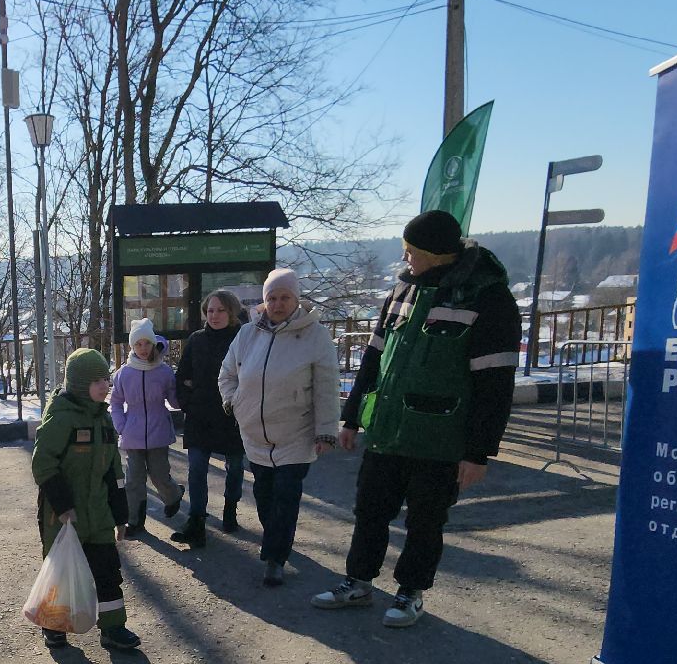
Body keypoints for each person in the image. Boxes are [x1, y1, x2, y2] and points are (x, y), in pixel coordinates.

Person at [313, 209, 520, 628]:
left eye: (412, 252)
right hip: (389, 432)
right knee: (369, 510)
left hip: (440, 438)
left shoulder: (488, 298)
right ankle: (358, 581)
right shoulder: (401, 293)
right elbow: (372, 359)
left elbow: (495, 384)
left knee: (425, 521)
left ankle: (411, 592)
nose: (405, 259)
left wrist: (479, 452)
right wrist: (351, 419)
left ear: (437, 254)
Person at [218, 269, 339, 587]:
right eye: (272, 297)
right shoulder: (247, 334)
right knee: (264, 493)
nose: (278, 303)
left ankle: (274, 558)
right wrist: (234, 402)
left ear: (296, 299)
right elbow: (227, 373)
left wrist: (326, 430)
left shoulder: (315, 336)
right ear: (264, 300)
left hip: (295, 434)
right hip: (255, 434)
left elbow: (327, 387)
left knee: (286, 495)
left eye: (284, 297)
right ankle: (276, 541)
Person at [31, 348, 141, 653]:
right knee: (62, 574)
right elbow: (43, 465)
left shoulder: (103, 419)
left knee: (107, 571)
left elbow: (114, 472)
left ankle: (113, 627)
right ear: (79, 384)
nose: (105, 386)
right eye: (97, 381)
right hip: (64, 517)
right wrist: (63, 505)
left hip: (100, 515)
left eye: (106, 379)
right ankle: (54, 627)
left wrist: (121, 516)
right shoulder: (60, 418)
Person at [172, 290, 247, 547]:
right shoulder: (196, 339)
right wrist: (187, 403)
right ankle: (196, 521)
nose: (214, 315)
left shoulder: (242, 338)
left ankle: (230, 507)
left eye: (220, 310)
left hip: (232, 416)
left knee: (235, 468)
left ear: (232, 312)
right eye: (210, 310)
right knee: (196, 469)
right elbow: (182, 376)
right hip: (200, 415)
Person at [108, 317, 183, 538]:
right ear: (132, 346)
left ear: (153, 343)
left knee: (160, 474)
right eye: (138, 344)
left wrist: (185, 394)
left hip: (158, 433)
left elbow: (174, 400)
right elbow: (115, 402)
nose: (143, 349)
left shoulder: (164, 371)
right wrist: (121, 425)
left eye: (147, 343)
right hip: (132, 435)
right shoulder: (124, 373)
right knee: (133, 480)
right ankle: (135, 521)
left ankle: (174, 496)